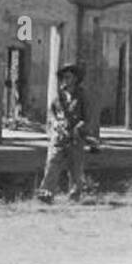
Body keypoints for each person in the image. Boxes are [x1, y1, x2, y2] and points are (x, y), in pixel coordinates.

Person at [37, 63, 89, 203]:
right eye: (63, 77)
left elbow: (86, 117)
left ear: (75, 79)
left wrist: (78, 128)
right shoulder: (58, 97)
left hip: (75, 137)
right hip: (59, 136)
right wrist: (56, 124)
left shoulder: (82, 96)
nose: (65, 80)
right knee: (52, 163)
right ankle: (46, 193)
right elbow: (52, 112)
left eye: (68, 77)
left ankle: (74, 195)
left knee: (75, 168)